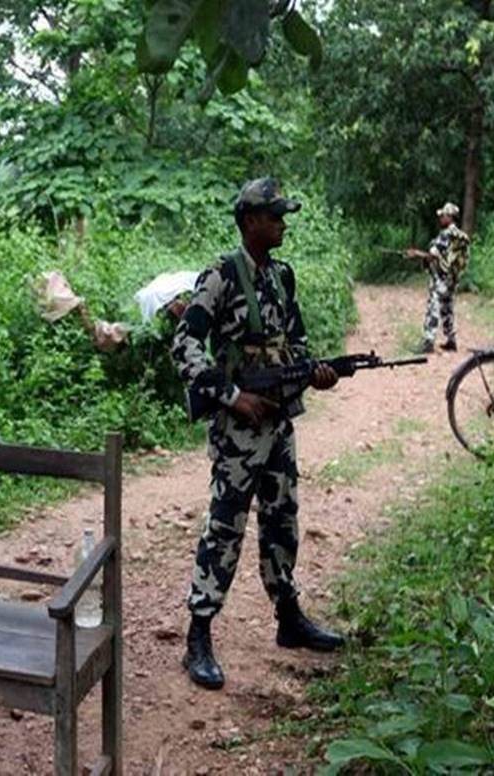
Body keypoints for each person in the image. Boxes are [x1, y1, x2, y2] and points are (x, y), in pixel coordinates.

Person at [170, 178, 346, 690]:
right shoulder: (221, 276)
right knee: (226, 526)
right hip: (239, 429)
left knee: (282, 519)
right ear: (250, 222)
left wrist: (314, 372)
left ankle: (288, 617)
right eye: (275, 216)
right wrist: (231, 396)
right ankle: (198, 634)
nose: (283, 224)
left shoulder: (282, 277)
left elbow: (297, 342)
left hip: (278, 422)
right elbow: (185, 345)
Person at [406, 202, 470, 353]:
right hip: (452, 278)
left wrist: (415, 254)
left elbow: (432, 255)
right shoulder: (460, 236)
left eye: (443, 215)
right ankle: (451, 340)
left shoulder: (445, 234)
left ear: (450, 217)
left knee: (433, 306)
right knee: (447, 308)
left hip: (441, 277)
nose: (440, 218)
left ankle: (428, 341)